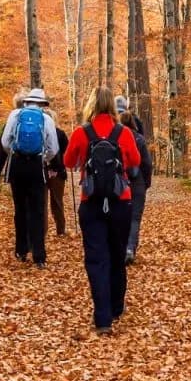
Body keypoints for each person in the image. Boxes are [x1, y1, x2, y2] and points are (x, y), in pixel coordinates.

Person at [63, 86, 142, 333]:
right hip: (121, 201)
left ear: (91, 105)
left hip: (91, 201)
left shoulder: (81, 132)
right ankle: (117, 306)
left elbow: (68, 162)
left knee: (96, 259)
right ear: (112, 106)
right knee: (117, 255)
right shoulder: (124, 133)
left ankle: (103, 318)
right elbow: (136, 162)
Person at [0, 88, 60, 265]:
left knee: (20, 209)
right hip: (36, 167)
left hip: (17, 167)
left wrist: (15, 153)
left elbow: (5, 143)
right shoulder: (46, 119)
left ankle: (21, 250)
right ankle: (39, 256)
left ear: (27, 101)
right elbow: (53, 148)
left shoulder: (14, 115)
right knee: (37, 210)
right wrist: (43, 158)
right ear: (42, 103)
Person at [120, 106, 153, 265]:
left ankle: (120, 247)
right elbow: (146, 163)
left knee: (120, 215)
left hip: (120, 182)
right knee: (134, 218)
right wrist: (146, 182)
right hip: (137, 182)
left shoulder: (116, 137)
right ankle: (130, 248)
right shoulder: (139, 139)